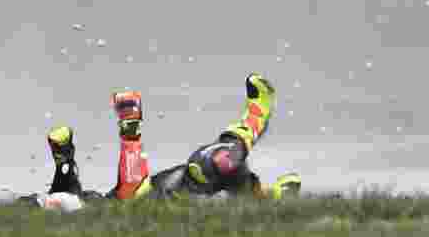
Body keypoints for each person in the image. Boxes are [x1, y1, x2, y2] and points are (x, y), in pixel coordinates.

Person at [29, 73, 301, 206]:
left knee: (73, 200)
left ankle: (65, 164)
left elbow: (129, 193)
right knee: (219, 161)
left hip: (150, 193)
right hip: (160, 193)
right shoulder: (241, 188)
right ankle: (256, 116)